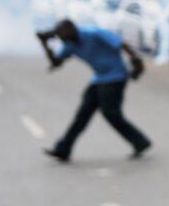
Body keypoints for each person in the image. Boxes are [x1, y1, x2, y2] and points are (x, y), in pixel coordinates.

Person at [37, 18, 151, 161]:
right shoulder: (70, 44)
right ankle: (63, 149)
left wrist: (136, 61)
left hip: (116, 76)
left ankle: (140, 142)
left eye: (62, 35)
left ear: (71, 29)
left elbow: (122, 43)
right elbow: (56, 63)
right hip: (99, 78)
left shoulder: (93, 33)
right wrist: (44, 44)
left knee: (111, 113)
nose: (61, 39)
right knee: (82, 114)